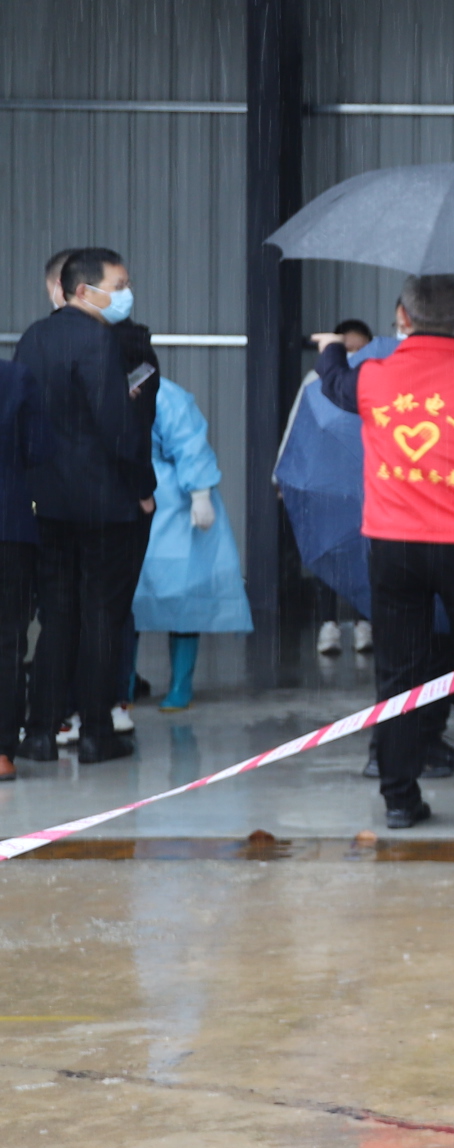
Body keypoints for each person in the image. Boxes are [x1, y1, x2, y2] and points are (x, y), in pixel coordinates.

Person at [309, 275, 454, 827]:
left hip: (394, 547)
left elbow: (333, 383)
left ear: (404, 318)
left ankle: (399, 799)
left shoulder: (373, 377)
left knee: (399, 674)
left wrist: (332, 348)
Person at [18, 249, 153, 765]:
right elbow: (119, 429)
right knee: (101, 616)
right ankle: (97, 731)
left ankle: (39, 731)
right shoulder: (100, 341)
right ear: (82, 290)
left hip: (47, 502)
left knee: (56, 617)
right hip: (103, 504)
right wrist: (142, 486)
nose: (126, 294)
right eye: (118, 285)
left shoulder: (34, 337)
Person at [124, 328, 251, 713]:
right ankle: (123, 685)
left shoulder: (166, 396)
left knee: (182, 596)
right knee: (128, 600)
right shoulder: (111, 393)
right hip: (132, 502)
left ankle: (179, 685)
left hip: (175, 507)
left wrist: (200, 494)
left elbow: (190, 444)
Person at [311, 319, 378, 657]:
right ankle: (329, 624)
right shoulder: (315, 381)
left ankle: (365, 621)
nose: (353, 355)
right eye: (347, 348)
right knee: (331, 552)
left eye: (360, 349)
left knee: (367, 554)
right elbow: (300, 429)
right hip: (330, 481)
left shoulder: (377, 379)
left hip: (368, 481)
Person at [0, 346, 44, 776]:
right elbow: (39, 450)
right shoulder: (16, 379)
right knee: (8, 642)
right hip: (8, 529)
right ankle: (1, 752)